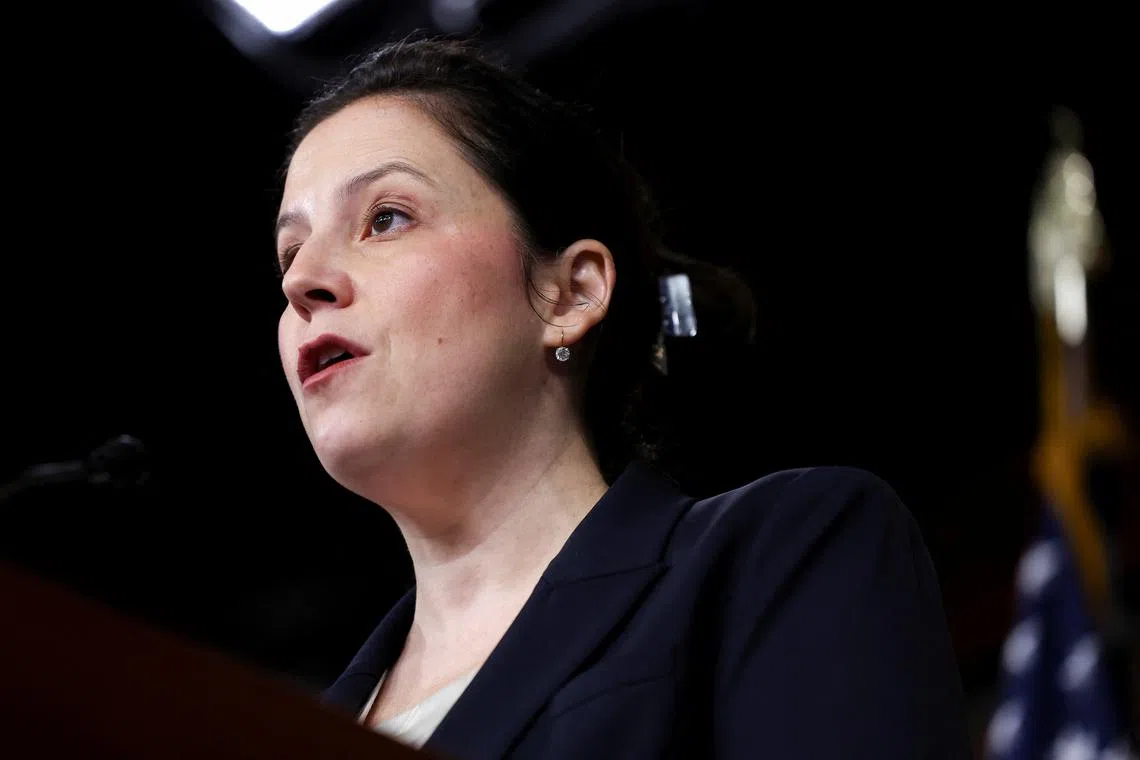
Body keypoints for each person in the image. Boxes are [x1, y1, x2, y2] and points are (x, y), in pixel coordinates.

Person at [273, 36, 971, 758]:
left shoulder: (778, 555)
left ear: (570, 294)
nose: (302, 283)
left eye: (386, 217)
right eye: (290, 254)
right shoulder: (280, 730)